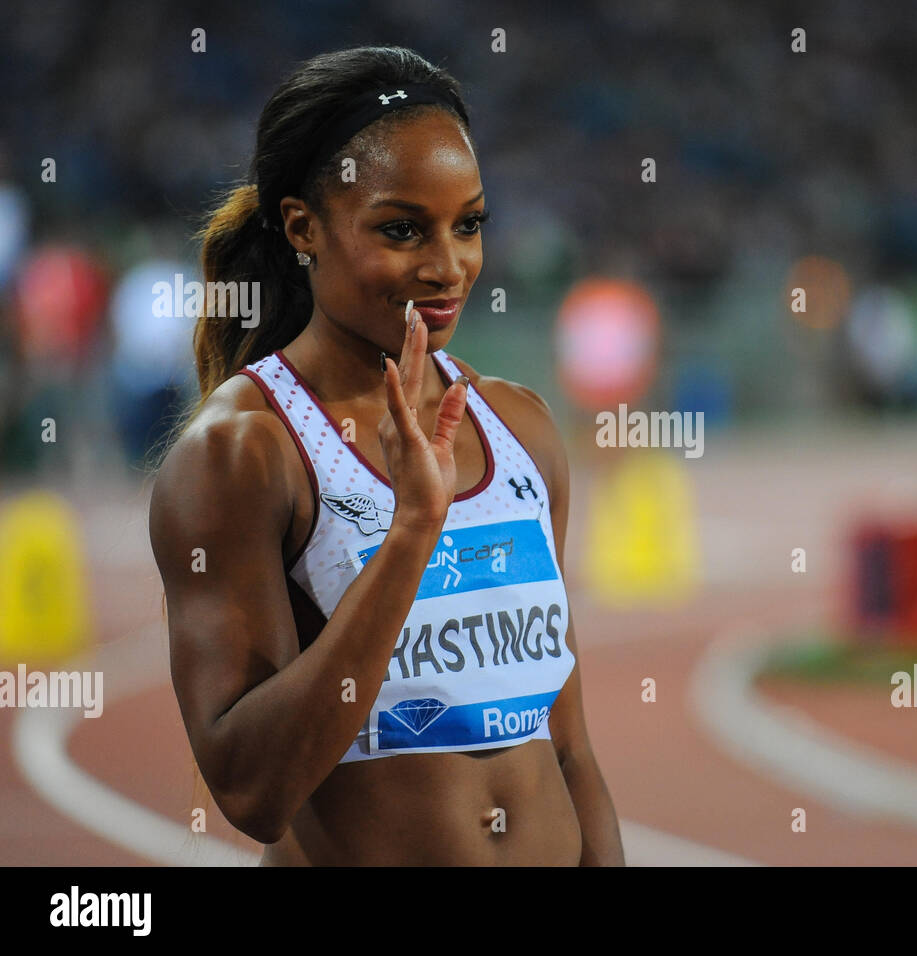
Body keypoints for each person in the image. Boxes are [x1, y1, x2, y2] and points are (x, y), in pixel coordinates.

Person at [149, 46, 624, 865]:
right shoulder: (244, 453)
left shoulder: (520, 427)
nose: (447, 267)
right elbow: (252, 790)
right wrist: (410, 534)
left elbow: (570, 750)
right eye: (402, 229)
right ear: (303, 226)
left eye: (468, 224)